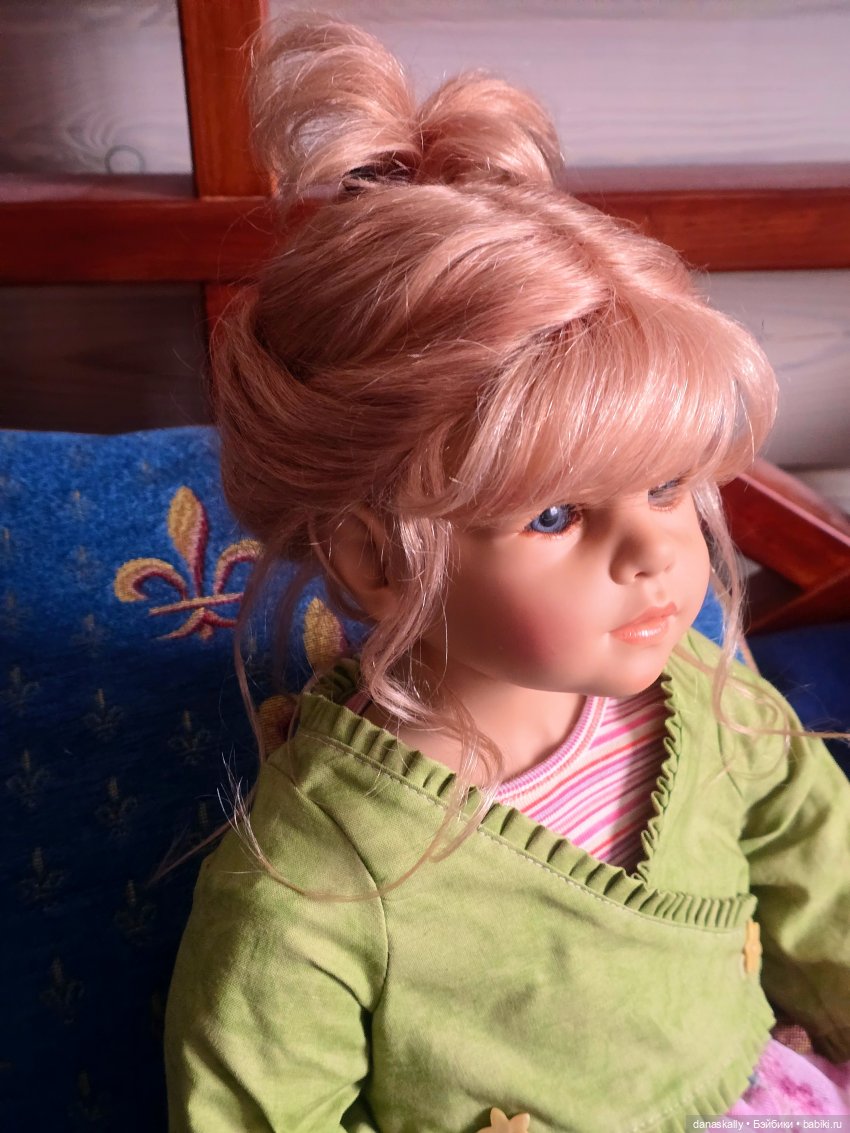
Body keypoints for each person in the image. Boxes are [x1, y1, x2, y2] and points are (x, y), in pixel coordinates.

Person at [163, 15, 850, 1132]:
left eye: (667, 485)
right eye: (556, 513)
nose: (653, 550)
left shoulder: (707, 695)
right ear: (376, 559)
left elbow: (823, 871)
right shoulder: (317, 875)